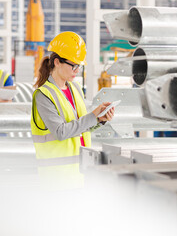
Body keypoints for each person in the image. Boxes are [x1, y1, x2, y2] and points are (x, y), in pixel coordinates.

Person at [31, 31, 114, 190]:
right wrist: (93, 115)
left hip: (82, 174)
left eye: (79, 66)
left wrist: (99, 120)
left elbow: (81, 127)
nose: (77, 70)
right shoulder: (43, 95)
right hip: (57, 179)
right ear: (57, 62)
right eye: (74, 65)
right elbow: (61, 132)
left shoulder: (75, 88)